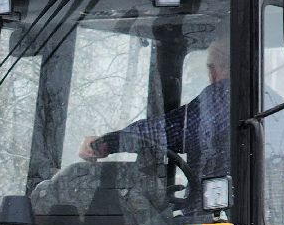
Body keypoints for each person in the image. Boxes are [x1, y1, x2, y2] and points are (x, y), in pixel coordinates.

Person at [79, 37, 232, 185]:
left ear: (226, 67)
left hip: (224, 205)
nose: (210, 76)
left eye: (212, 67)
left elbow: (172, 131)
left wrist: (107, 143)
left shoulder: (226, 94)